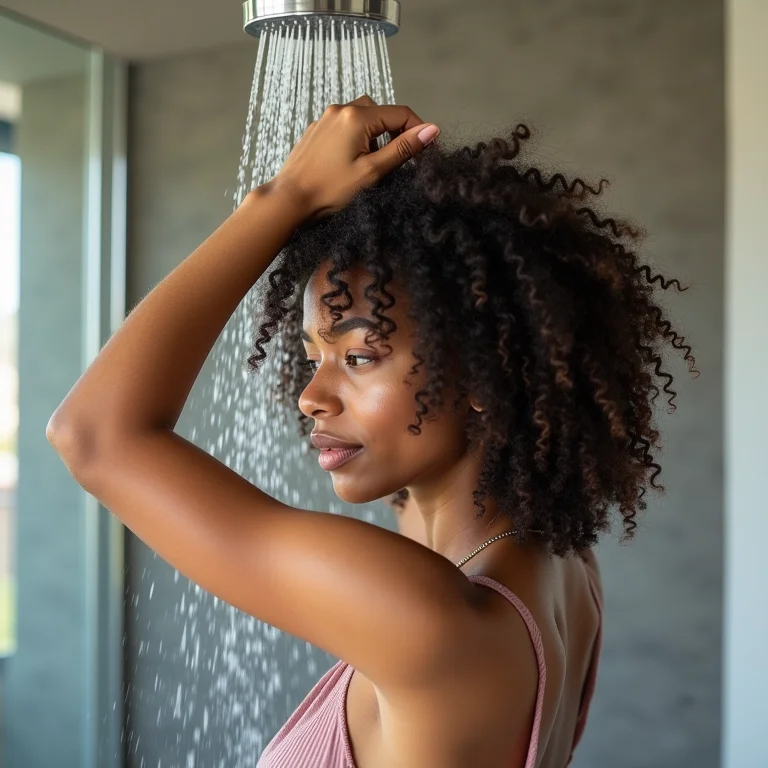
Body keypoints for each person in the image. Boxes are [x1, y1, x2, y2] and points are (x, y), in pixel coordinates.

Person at [47, 95, 695, 767]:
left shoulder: (428, 619)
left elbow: (94, 435)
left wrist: (286, 196)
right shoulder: (558, 564)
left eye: (358, 358)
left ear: (480, 371)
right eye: (311, 357)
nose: (310, 397)